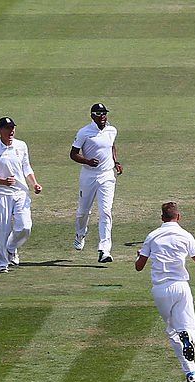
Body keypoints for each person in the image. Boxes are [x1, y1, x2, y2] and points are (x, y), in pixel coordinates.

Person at [134, 202, 195, 382]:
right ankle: (189, 344)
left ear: (162, 218)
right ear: (178, 217)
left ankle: (191, 373)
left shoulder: (152, 236)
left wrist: (140, 255)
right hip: (181, 287)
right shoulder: (185, 235)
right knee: (188, 331)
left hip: (160, 290)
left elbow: (139, 266)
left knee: (173, 332)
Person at [0, 116, 42, 273]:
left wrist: (34, 183)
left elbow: (26, 167)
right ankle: (2, 263)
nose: (11, 131)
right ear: (0, 130)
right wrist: (2, 181)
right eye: (7, 128)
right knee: (3, 228)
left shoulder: (21, 146)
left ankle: (11, 247)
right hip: (1, 193)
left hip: (20, 192)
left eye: (12, 128)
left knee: (25, 227)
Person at [70, 102, 123, 263]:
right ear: (92, 115)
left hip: (107, 176)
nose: (103, 117)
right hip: (89, 176)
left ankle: (104, 250)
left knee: (106, 211)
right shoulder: (84, 132)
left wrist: (116, 162)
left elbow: (112, 146)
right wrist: (86, 161)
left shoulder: (111, 130)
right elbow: (73, 154)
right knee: (83, 212)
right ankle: (80, 233)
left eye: (104, 114)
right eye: (99, 114)